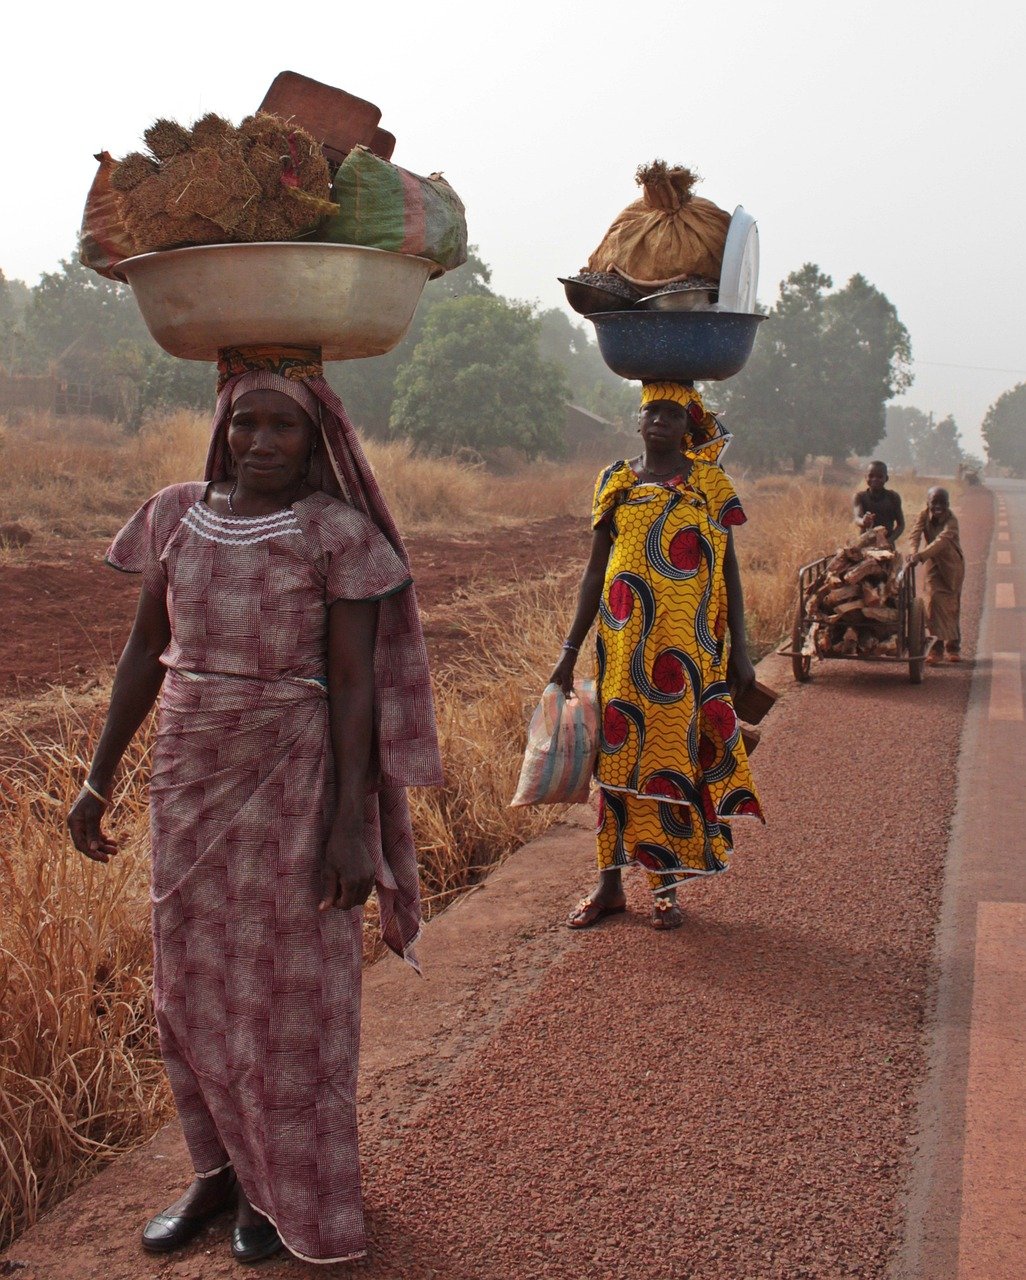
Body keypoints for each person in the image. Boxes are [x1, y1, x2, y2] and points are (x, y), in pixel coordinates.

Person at [66, 347, 442, 1266]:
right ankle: (218, 1172)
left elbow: (353, 687)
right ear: (221, 429)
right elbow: (141, 656)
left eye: (283, 425)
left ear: (317, 440)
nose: (260, 441)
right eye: (245, 422)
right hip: (188, 778)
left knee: (285, 994)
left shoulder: (336, 535)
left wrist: (354, 826)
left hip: (295, 779)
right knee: (188, 985)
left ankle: (286, 1194)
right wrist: (97, 773)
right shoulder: (175, 517)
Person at [551, 382, 763, 931]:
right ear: (638, 419)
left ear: (688, 426)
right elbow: (595, 572)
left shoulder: (710, 485)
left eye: (672, 413)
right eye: (652, 412)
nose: (659, 422)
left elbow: (729, 571)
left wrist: (741, 646)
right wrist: (569, 651)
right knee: (615, 764)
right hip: (621, 650)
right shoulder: (616, 482)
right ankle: (610, 887)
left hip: (689, 653)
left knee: (671, 761)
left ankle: (665, 886)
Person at [907, 486, 964, 664]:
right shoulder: (923, 515)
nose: (938, 506)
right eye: (934, 503)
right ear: (928, 503)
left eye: (942, 503)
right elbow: (914, 535)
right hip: (932, 566)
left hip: (952, 566)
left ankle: (953, 647)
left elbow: (942, 541)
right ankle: (936, 650)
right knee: (932, 604)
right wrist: (912, 552)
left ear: (948, 504)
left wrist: (921, 555)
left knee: (952, 605)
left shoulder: (952, 520)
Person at [853, 460, 905, 545]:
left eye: (880, 477)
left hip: (887, 546)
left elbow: (901, 525)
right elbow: (857, 518)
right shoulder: (860, 497)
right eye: (871, 476)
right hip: (865, 544)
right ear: (866, 477)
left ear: (886, 478)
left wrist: (889, 541)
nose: (875, 479)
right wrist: (864, 521)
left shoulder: (893, 497)